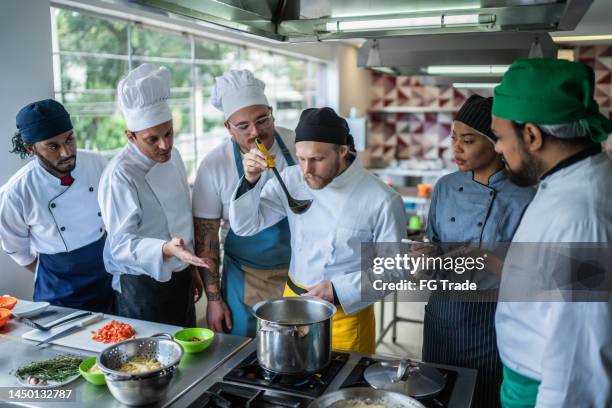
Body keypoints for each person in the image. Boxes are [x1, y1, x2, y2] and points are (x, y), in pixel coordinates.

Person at [229, 107, 406, 353]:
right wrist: (250, 181)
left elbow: (394, 270)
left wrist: (338, 290)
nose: (306, 170)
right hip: (294, 303)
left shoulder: (382, 199)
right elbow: (245, 225)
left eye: (316, 159)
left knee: (344, 388)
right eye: (301, 158)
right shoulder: (292, 180)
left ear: (342, 151)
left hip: (346, 315)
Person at [491, 58, 612, 407]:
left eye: (499, 137)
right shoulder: (572, 182)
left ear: (531, 135)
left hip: (544, 389)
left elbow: (580, 362)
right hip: (527, 377)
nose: (498, 148)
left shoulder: (580, 218)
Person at [421, 95, 535, 408]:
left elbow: (534, 277)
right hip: (442, 313)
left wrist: (487, 260)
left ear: (496, 143)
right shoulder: (445, 186)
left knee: (483, 397)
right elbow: (434, 244)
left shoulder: (528, 195)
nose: (456, 148)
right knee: (435, 394)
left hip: (491, 321)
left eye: (468, 140)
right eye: (454, 138)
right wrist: (427, 255)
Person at [98, 63, 209, 326]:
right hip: (142, 287)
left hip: (180, 275)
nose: (165, 145)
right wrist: (165, 249)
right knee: (147, 363)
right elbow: (122, 245)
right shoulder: (120, 175)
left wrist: (188, 266)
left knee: (187, 352)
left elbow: (180, 214)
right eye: (153, 139)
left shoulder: (175, 156)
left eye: (169, 133)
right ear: (130, 135)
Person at [192, 69, 296, 337]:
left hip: (299, 273)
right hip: (244, 279)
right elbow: (207, 240)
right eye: (243, 126)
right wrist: (214, 301)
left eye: (263, 120)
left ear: (271, 112)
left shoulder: (298, 146)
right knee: (243, 352)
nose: (255, 132)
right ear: (228, 127)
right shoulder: (214, 166)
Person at [0, 99, 112, 312]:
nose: (66, 152)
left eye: (70, 140)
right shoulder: (16, 192)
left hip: (105, 274)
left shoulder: (97, 164)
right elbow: (16, 246)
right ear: (31, 148)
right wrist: (56, 271)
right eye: (53, 146)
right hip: (59, 288)